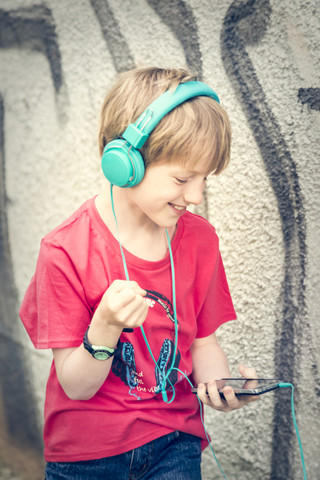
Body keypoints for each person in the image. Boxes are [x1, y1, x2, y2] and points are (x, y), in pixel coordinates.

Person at [20, 66, 257, 480]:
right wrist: (106, 326)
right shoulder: (64, 251)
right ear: (123, 163)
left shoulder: (201, 241)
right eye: (183, 178)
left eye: (205, 180)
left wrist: (219, 386)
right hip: (88, 455)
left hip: (175, 444)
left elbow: (203, 344)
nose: (197, 196)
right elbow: (76, 386)